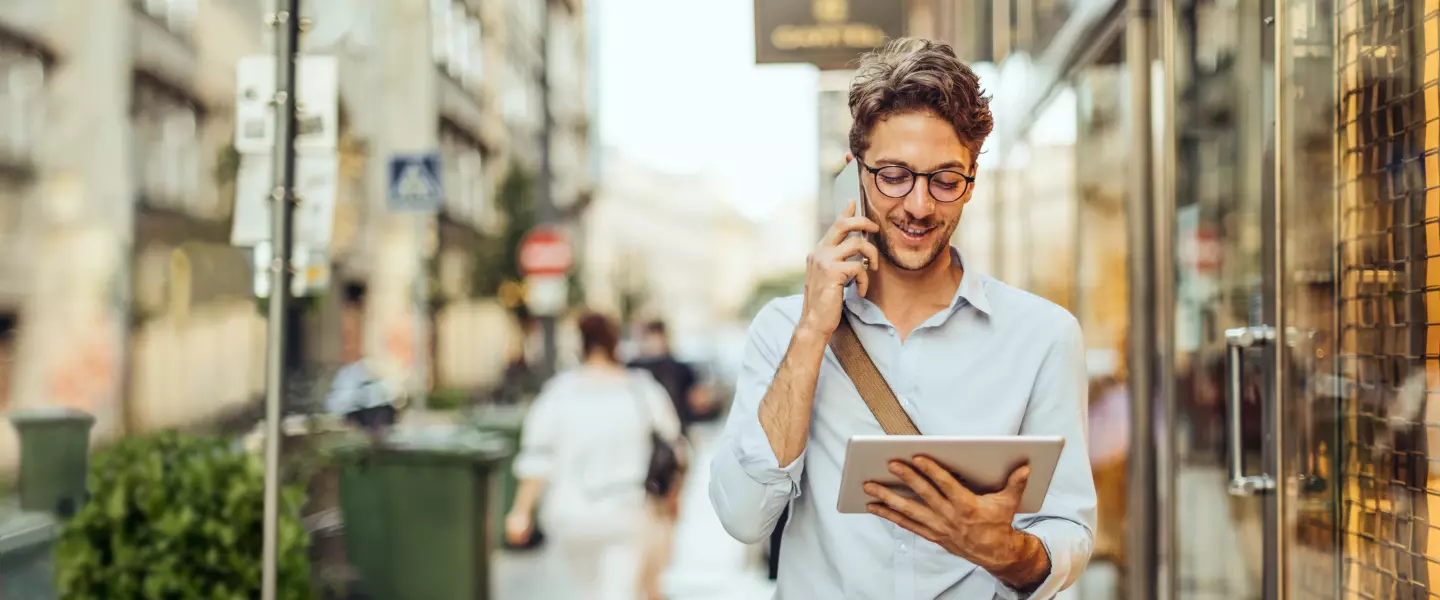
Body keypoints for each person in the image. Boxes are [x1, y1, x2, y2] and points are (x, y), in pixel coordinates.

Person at [708, 38, 1097, 599]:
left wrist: (1006, 551)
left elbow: (1069, 525)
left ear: (972, 181)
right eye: (893, 175)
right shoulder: (784, 330)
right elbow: (743, 518)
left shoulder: (1043, 336)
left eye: (944, 179)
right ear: (854, 172)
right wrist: (814, 331)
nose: (918, 205)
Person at [506, 312, 683, 600]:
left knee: (587, 591)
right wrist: (673, 503)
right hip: (626, 510)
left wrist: (521, 512)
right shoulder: (642, 390)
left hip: (569, 515)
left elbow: (537, 458)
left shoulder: (558, 394)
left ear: (581, 344)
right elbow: (674, 449)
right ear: (616, 343)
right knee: (618, 591)